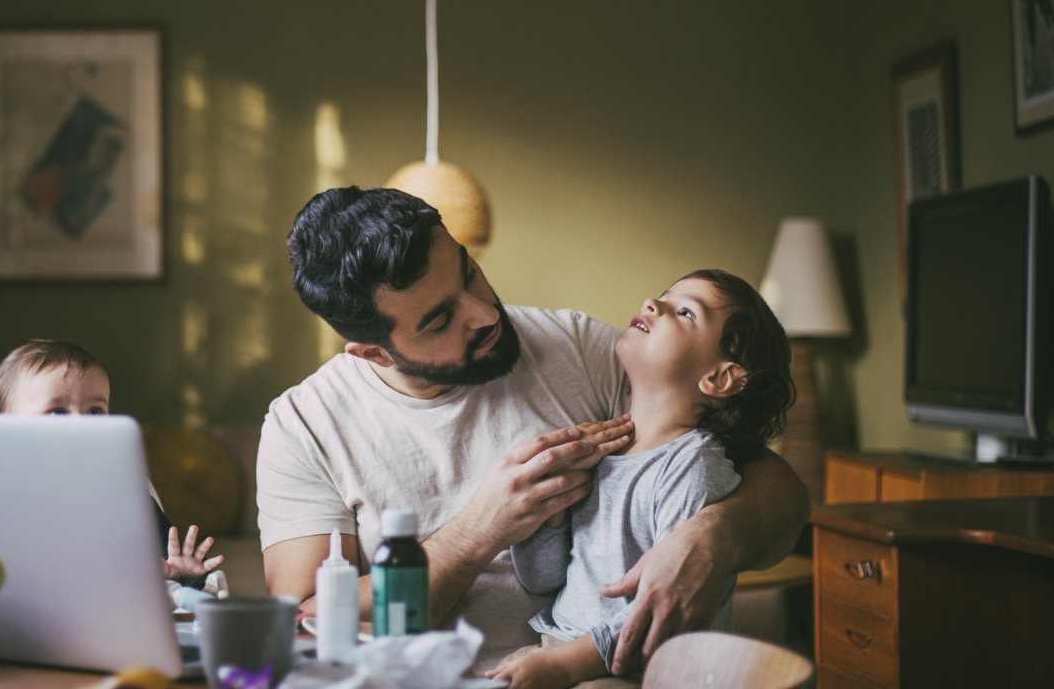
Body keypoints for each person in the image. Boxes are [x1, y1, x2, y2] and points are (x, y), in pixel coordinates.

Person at [258, 187, 810, 670]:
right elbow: (307, 620)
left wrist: (714, 537)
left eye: (469, 271)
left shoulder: (578, 348)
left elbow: (771, 486)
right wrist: (481, 530)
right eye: (440, 319)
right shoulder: (303, 426)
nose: (485, 314)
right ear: (375, 353)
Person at [486, 270, 793, 687]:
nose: (653, 303)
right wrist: (553, 514)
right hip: (556, 648)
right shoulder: (604, 451)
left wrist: (562, 666)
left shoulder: (692, 468)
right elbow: (544, 581)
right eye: (665, 296)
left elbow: (662, 617)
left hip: (638, 670)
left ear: (720, 378)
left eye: (685, 312)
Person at [0, 339, 223, 585]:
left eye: (94, 411)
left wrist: (183, 574)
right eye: (57, 411)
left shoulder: (127, 493)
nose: (81, 424)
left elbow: (166, 575)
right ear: (6, 425)